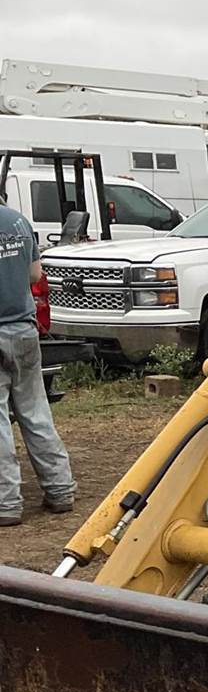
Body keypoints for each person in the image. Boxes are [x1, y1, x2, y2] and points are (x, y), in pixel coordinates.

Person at [0, 201, 74, 526]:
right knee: (35, 412)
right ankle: (60, 491)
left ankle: (6, 503)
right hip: (24, 331)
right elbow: (34, 274)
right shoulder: (18, 221)